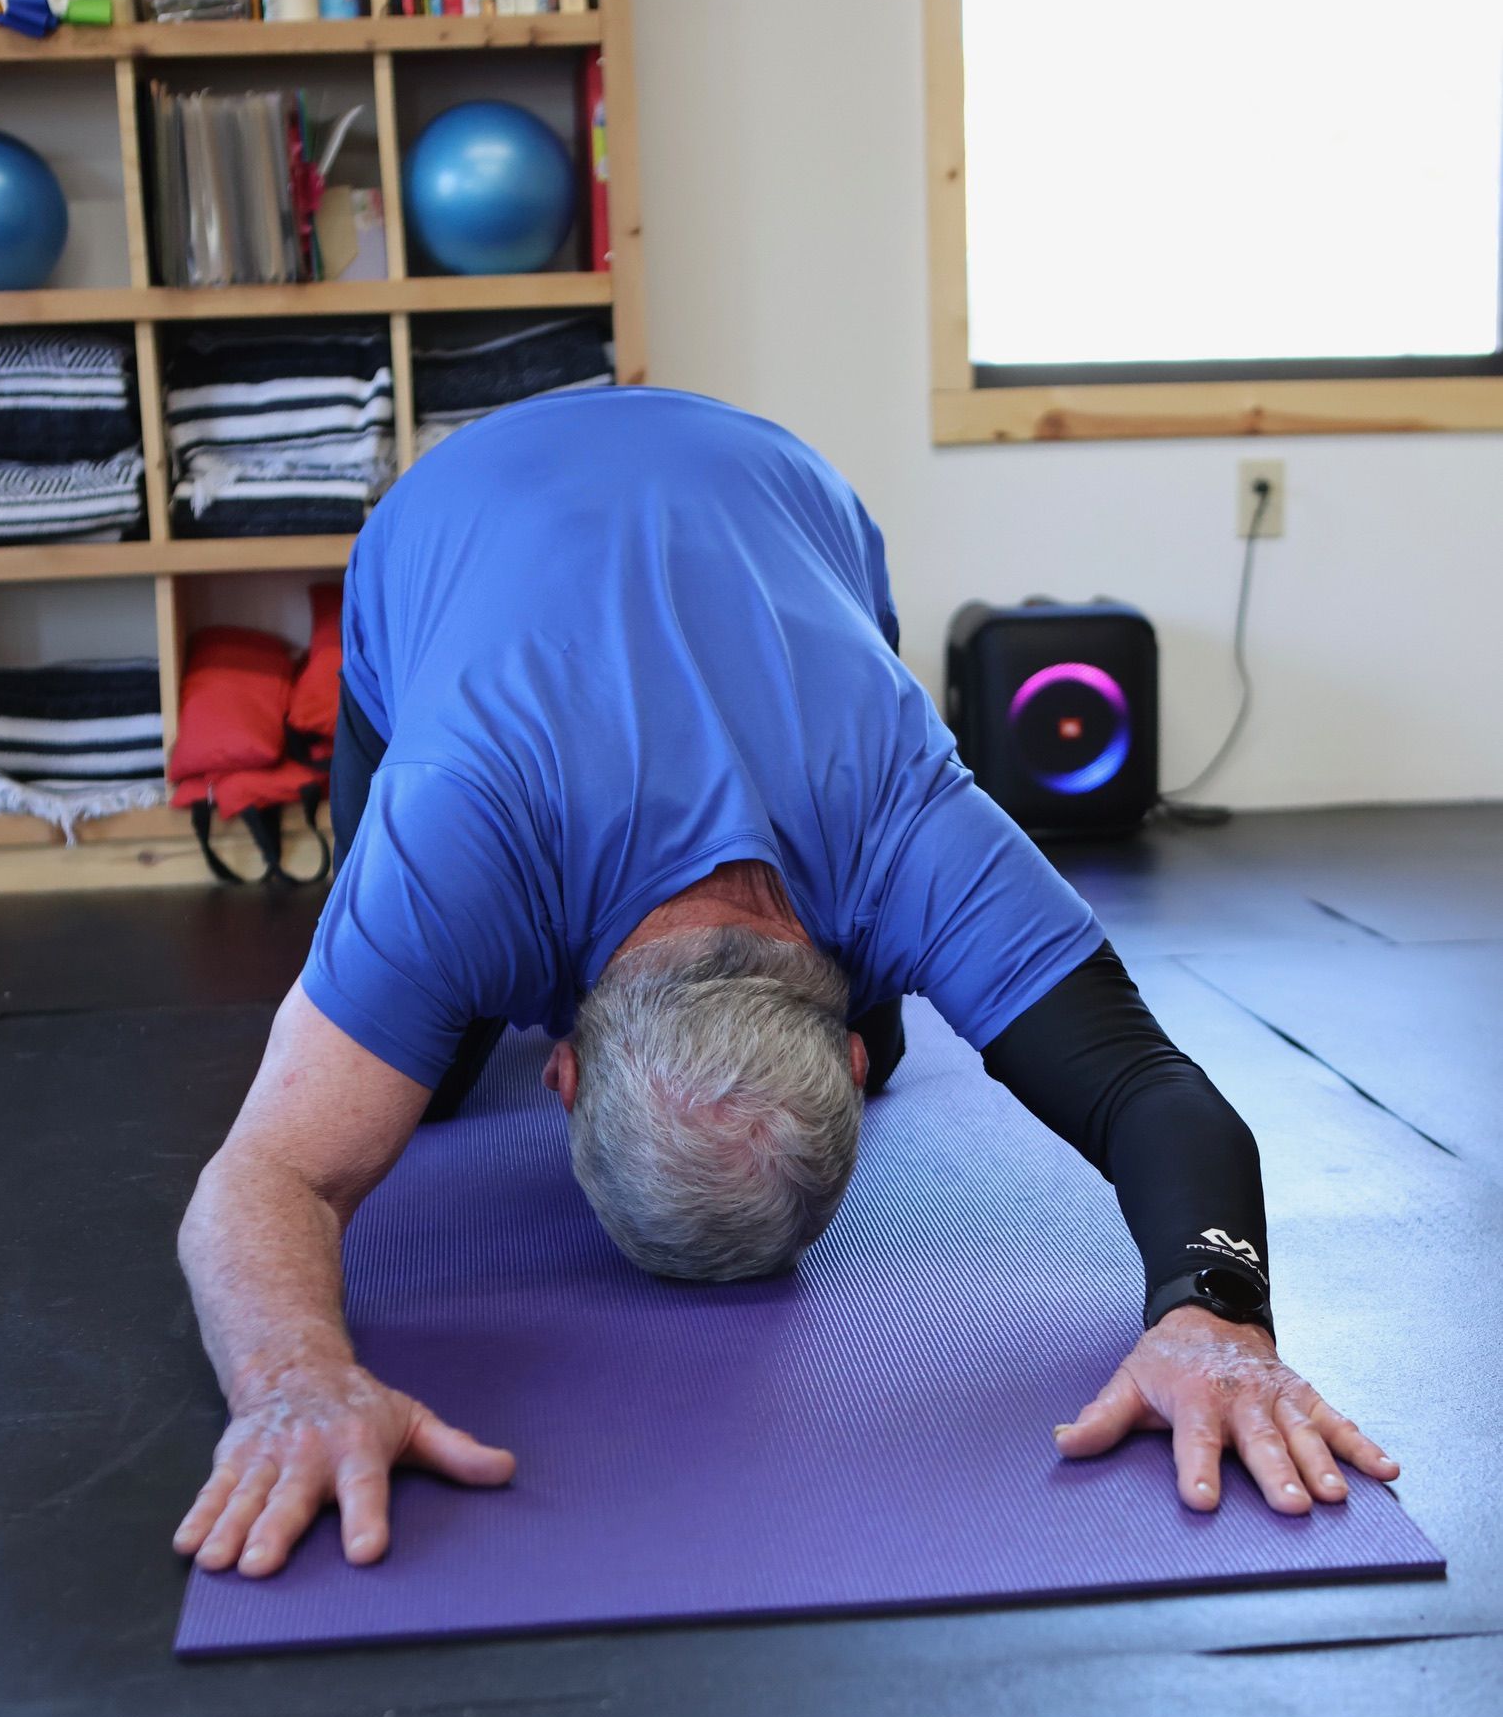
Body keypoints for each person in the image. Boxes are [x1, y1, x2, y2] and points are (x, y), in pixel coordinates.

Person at [173, 388, 1398, 1581]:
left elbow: (1144, 1085)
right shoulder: (453, 830)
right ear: (559, 1071)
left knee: (405, 1059)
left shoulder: (907, 811)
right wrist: (288, 1380)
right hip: (444, 517)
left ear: (565, 1074)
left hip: (784, 496)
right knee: (424, 1086)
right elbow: (265, 1176)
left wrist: (1214, 1315)